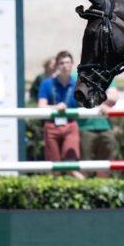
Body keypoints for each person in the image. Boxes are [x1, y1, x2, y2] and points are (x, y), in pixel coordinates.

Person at [37, 50, 85, 178]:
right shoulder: (47, 83)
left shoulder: (78, 85)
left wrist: (101, 105)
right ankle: (53, 193)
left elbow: (85, 104)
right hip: (51, 125)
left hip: (70, 125)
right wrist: (56, 108)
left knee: (71, 165)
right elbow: (41, 106)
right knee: (53, 167)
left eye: (67, 63)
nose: (65, 66)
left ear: (72, 65)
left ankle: (87, 189)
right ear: (57, 66)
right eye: (62, 63)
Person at [78, 85, 120, 178]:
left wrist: (92, 97)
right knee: (83, 166)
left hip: (105, 126)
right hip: (85, 126)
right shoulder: (75, 75)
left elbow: (113, 99)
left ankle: (102, 191)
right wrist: (102, 102)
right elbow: (81, 99)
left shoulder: (108, 75)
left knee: (104, 166)